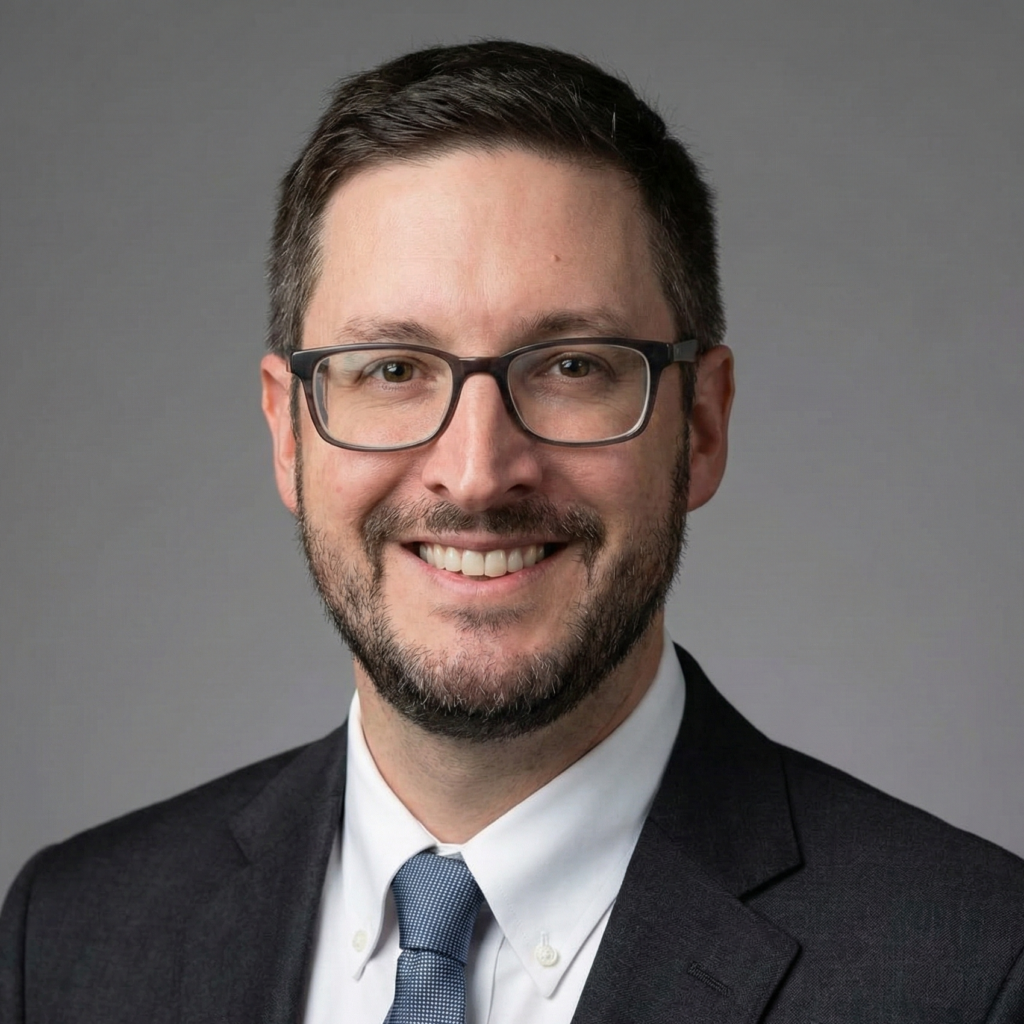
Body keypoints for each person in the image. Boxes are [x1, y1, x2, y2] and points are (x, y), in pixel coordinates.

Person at [2, 39, 1022, 1024]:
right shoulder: (71, 937)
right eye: (392, 368)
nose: (479, 473)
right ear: (287, 430)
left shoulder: (972, 967)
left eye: (572, 365)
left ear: (701, 424)